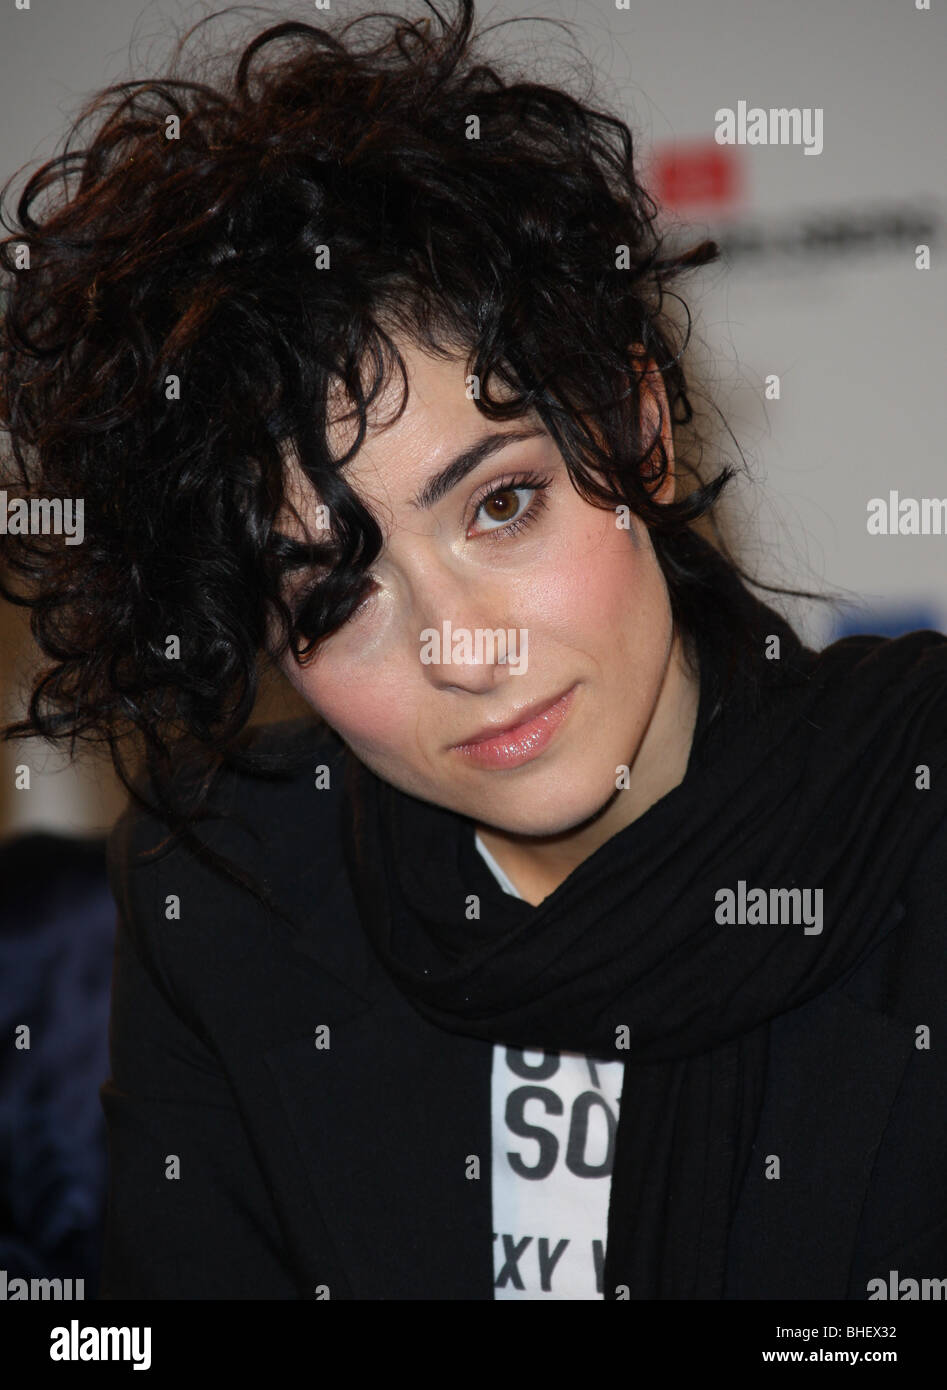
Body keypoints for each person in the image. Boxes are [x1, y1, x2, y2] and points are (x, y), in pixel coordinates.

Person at [2, 0, 946, 1302]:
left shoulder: (918, 806)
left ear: (638, 430)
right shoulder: (231, 896)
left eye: (502, 503)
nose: (461, 646)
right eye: (334, 590)